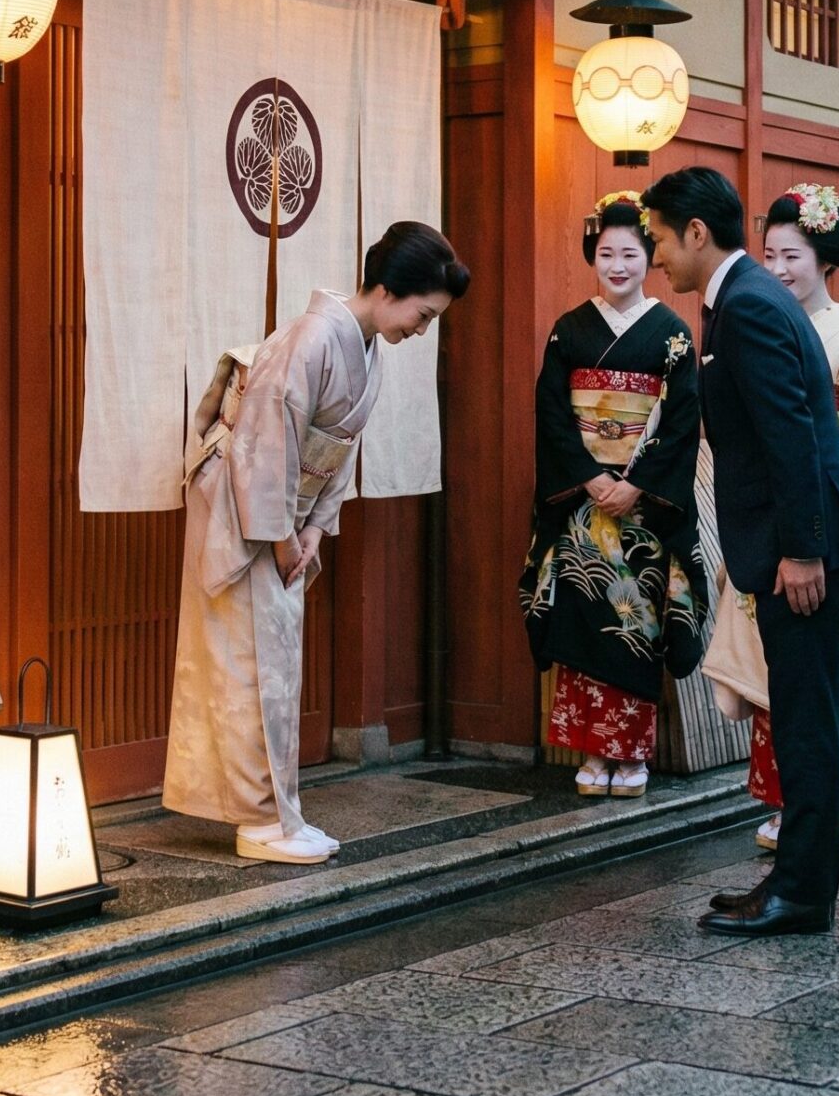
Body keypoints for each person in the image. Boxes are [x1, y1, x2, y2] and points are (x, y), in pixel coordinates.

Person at [164, 223, 470, 864]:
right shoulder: (310, 339)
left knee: (273, 666)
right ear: (387, 290)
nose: (422, 328)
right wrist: (279, 537)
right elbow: (264, 442)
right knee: (249, 665)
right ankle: (258, 820)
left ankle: (276, 814)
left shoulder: (362, 345)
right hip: (246, 510)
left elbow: (339, 451)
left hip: (282, 514)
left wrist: (310, 529)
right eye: (423, 313)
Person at [639, 166, 839, 937]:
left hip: (806, 548)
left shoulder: (745, 305)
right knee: (800, 716)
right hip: (792, 542)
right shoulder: (741, 299)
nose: (655, 259)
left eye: (659, 241)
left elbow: (793, 434)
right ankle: (791, 881)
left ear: (696, 234)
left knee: (808, 721)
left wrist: (804, 552)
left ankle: (803, 895)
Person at [698, 184, 839, 854]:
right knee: (775, 672)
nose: (780, 268)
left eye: (793, 255)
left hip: (819, 530)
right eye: (769, 255)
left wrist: (813, 526)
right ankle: (780, 799)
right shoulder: (758, 315)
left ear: (825, 259)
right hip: (775, 523)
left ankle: (824, 809)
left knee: (828, 679)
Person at [521, 191, 714, 800]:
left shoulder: (673, 336)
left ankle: (631, 755)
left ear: (648, 258)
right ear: (592, 256)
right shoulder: (568, 331)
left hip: (642, 510)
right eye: (606, 253)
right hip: (583, 503)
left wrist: (636, 484)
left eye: (631, 253)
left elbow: (683, 423)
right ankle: (589, 750)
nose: (618, 265)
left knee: (636, 625)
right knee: (582, 616)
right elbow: (552, 414)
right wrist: (589, 475)